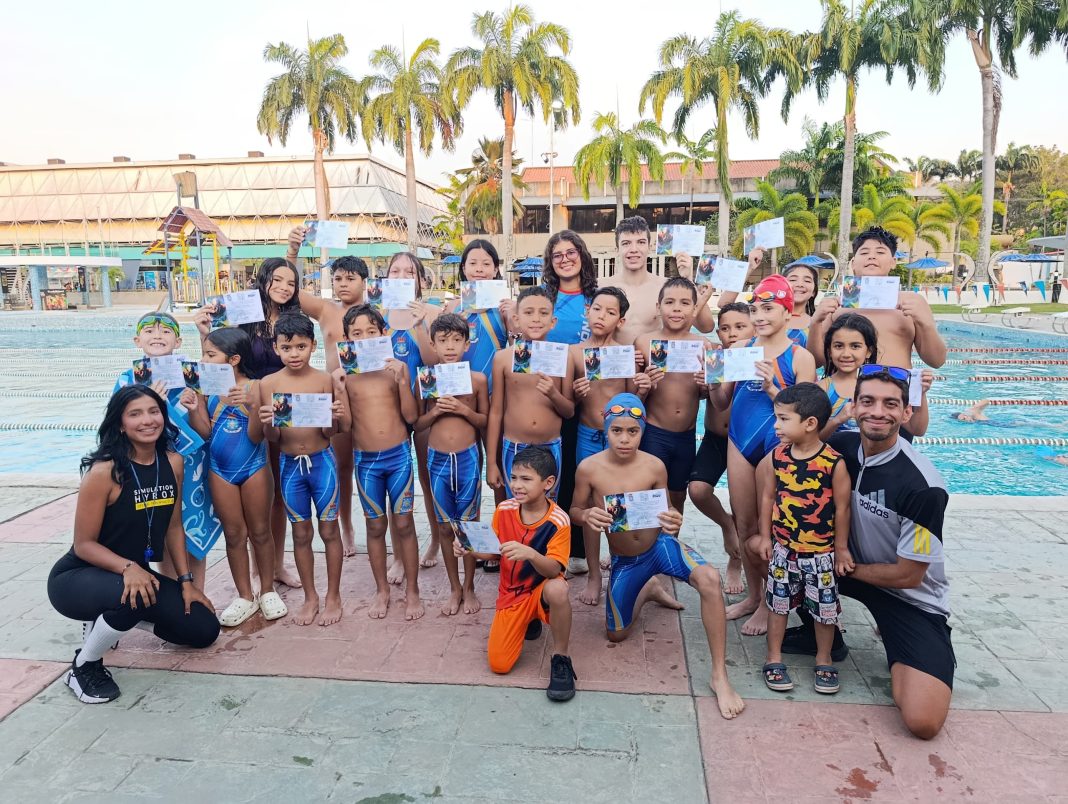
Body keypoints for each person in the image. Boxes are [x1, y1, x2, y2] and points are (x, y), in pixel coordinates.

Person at [570, 395, 744, 719]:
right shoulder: (589, 469)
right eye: (617, 431)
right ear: (606, 430)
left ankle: (720, 675)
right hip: (625, 560)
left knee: (710, 579)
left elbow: (666, 511)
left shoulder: (654, 465)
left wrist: (673, 519)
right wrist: (586, 515)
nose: (624, 439)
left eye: (632, 431)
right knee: (615, 634)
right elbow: (575, 510)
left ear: (642, 431)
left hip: (659, 548)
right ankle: (648, 589)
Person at [47, 385, 219, 704]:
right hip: (78, 577)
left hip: (134, 578)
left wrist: (187, 582)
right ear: (121, 424)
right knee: (134, 596)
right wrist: (129, 568)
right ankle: (84, 666)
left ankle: (111, 621)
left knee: (203, 629)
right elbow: (83, 545)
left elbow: (174, 527)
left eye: (154, 411)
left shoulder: (173, 462)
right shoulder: (105, 472)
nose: (147, 420)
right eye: (135, 414)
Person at [826, 368, 953, 739]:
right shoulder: (843, 447)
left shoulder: (923, 487)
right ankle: (825, 636)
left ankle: (910, 649)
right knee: (770, 551)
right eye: (867, 401)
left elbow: (908, 575)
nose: (877, 412)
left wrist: (838, 566)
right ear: (853, 406)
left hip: (909, 596)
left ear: (906, 412)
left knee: (922, 722)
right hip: (849, 568)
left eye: (890, 404)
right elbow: (792, 448)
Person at [708, 275, 817, 636]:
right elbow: (721, 403)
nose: (759, 316)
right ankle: (754, 596)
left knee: (771, 528)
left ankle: (772, 602)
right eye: (755, 309)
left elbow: (805, 417)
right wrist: (712, 380)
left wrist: (773, 387)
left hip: (777, 446)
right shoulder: (741, 348)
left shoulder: (800, 357)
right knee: (744, 524)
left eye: (768, 309)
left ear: (787, 312)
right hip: (740, 442)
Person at [194, 257, 303, 589]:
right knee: (258, 488)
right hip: (247, 405)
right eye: (277, 280)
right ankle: (258, 569)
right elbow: (220, 355)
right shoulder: (243, 314)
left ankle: (276, 564)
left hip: (282, 404)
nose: (284, 287)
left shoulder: (294, 319)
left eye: (291, 282)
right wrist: (204, 333)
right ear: (263, 280)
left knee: (278, 493)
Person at [184, 327, 287, 626]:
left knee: (260, 531)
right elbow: (205, 432)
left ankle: (267, 590)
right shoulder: (207, 389)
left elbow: (256, 437)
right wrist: (194, 407)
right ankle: (244, 596)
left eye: (210, 355)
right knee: (233, 534)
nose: (203, 360)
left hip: (254, 467)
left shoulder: (255, 387)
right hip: (220, 470)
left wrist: (253, 406)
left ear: (234, 359)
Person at [755, 383, 852, 695]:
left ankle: (824, 658)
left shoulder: (833, 462)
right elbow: (768, 497)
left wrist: (841, 550)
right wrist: (765, 536)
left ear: (810, 423)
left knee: (825, 610)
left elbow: (842, 508)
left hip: (821, 553)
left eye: (783, 419)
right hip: (783, 550)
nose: (776, 425)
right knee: (778, 605)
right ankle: (773, 657)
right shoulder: (777, 457)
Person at [115, 312, 222, 589]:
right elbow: (117, 429)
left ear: (178, 341)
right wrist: (152, 404)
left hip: (191, 469)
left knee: (193, 533)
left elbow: (204, 433)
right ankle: (173, 598)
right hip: (152, 469)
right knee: (162, 532)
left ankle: (198, 596)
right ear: (137, 340)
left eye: (165, 331)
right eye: (149, 331)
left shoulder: (191, 377)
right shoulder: (127, 381)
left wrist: (193, 407)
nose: (157, 336)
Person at [462, 446, 577, 701]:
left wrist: (531, 554)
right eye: (513, 477)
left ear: (548, 483)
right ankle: (529, 620)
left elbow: (555, 569)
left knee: (558, 589)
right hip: (512, 595)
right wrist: (469, 549)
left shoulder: (559, 520)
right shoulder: (504, 509)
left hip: (540, 591)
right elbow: (494, 553)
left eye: (526, 479)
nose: (517, 485)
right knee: (499, 665)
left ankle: (561, 658)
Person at [258, 312, 350, 627]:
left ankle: (333, 595)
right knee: (300, 533)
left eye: (301, 346)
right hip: (289, 466)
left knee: (329, 530)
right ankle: (311, 596)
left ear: (313, 345)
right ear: (276, 348)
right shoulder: (268, 384)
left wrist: (333, 417)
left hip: (322, 462)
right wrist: (267, 423)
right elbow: (273, 438)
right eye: (287, 348)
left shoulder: (324, 380)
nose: (294, 354)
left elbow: (330, 433)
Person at [334, 304, 424, 620]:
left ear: (384, 334)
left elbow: (412, 417)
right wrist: (339, 392)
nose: (365, 339)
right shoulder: (345, 376)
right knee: (374, 526)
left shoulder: (396, 370)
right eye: (357, 334)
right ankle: (382, 589)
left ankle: (412, 590)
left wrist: (402, 381)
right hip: (367, 462)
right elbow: (345, 427)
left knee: (404, 523)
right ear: (347, 339)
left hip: (398, 458)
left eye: (371, 332)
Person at [284, 234, 370, 558]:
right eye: (338, 278)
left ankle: (374, 522)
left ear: (364, 282)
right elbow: (290, 290)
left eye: (350, 278)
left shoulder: (375, 314)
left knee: (372, 462)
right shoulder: (325, 309)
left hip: (370, 396)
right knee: (343, 465)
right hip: (337, 394)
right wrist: (293, 251)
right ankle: (347, 525)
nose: (343, 284)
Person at [567, 286, 651, 604]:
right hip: (589, 434)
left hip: (619, 437)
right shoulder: (575, 353)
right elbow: (568, 402)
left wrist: (644, 388)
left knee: (622, 501)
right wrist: (576, 393)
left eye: (611, 312)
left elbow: (632, 399)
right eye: (597, 309)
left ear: (621, 320)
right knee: (591, 506)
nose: (602, 316)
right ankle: (593, 574)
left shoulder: (625, 354)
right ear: (588, 311)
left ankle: (621, 564)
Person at [414, 313, 489, 616]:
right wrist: (435, 412)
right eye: (443, 340)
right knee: (445, 527)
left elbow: (484, 420)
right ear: (432, 344)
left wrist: (462, 410)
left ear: (467, 344)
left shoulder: (477, 379)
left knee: (468, 526)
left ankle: (469, 587)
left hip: (468, 457)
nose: (450, 346)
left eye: (457, 340)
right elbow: (417, 424)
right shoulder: (426, 378)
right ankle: (454, 587)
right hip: (438, 459)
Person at [382, 250, 446, 580]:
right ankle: (397, 554)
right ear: (386, 277)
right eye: (396, 271)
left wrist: (421, 324)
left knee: (427, 476)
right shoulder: (377, 315)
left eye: (410, 272)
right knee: (395, 482)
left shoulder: (432, 312)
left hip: (423, 405)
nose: (403, 276)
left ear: (420, 280)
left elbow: (435, 361)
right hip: (388, 410)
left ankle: (435, 539)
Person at [808, 227, 947, 370]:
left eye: (880, 252)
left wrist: (926, 325)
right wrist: (815, 322)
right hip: (848, 384)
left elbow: (937, 361)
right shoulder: (835, 305)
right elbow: (817, 362)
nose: (872, 256)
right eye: (864, 252)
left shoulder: (913, 302)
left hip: (896, 383)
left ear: (893, 261)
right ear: (853, 263)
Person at [542, 230, 598, 578]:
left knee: (579, 475)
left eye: (570, 252)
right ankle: (549, 542)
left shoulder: (595, 297)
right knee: (551, 473)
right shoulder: (544, 297)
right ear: (550, 262)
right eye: (557, 255)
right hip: (548, 394)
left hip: (585, 395)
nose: (565, 259)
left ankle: (578, 548)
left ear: (582, 255)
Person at [688, 302, 755, 596]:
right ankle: (727, 525)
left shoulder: (758, 357)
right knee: (698, 490)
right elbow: (709, 398)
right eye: (725, 328)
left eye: (740, 327)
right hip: (715, 438)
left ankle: (735, 562)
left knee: (743, 507)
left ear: (754, 328)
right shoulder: (714, 355)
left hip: (745, 442)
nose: (732, 333)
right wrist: (704, 387)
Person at [487, 286, 575, 498]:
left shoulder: (564, 357)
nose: (536, 319)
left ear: (553, 321)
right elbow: (496, 412)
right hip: (515, 446)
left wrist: (553, 394)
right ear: (516, 319)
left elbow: (569, 411)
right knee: (516, 507)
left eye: (543, 313)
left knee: (548, 508)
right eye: (528, 312)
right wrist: (491, 462)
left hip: (550, 446)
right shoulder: (503, 358)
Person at [633, 277, 708, 514]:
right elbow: (633, 396)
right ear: (658, 307)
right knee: (649, 492)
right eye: (670, 302)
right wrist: (645, 384)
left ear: (694, 309)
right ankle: (649, 538)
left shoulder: (704, 345)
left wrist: (706, 386)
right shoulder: (644, 343)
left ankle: (672, 537)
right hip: (654, 432)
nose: (676, 308)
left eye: (685, 303)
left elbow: (706, 395)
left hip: (686, 435)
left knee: (678, 495)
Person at [601, 216, 665, 345]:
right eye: (626, 243)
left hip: (652, 357)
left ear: (650, 247)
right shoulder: (601, 286)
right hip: (615, 356)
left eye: (641, 242)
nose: (634, 249)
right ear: (617, 250)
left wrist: (687, 278)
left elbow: (705, 327)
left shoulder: (665, 287)